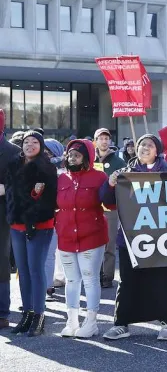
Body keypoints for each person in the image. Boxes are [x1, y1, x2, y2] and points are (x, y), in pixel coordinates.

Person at [102, 135, 167, 341]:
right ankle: (121, 324)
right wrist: (110, 184)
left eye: (150, 145)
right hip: (130, 237)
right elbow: (108, 202)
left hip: (161, 237)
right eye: (141, 145)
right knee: (128, 281)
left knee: (162, 280)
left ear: (157, 151)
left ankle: (166, 323)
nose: (144, 148)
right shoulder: (125, 173)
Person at [5, 130, 58, 336]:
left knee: (36, 271)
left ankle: (39, 315)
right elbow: (10, 194)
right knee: (23, 272)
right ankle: (26, 314)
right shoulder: (13, 165)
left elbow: (48, 200)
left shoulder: (47, 168)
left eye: (34, 141)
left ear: (41, 145)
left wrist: (32, 220)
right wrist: (13, 215)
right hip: (17, 225)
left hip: (39, 225)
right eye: (26, 141)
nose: (29, 145)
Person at [56, 139, 109, 339]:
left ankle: (91, 322)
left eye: (77, 155)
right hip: (67, 236)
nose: (72, 158)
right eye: (70, 155)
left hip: (91, 236)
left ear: (87, 157)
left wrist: (112, 185)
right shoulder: (61, 179)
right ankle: (71, 320)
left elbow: (110, 203)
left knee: (90, 278)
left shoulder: (99, 177)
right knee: (71, 280)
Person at [94, 128, 126, 289]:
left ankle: (107, 276)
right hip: (92, 207)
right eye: (101, 138)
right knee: (92, 243)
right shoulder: (88, 159)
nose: (104, 141)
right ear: (96, 141)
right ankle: (94, 274)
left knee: (109, 243)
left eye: (107, 138)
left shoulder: (118, 162)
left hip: (110, 208)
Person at [0, 110, 20, 330]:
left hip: (2, 215)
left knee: (0, 262)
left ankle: (2, 312)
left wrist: (4, 189)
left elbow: (19, 184)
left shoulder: (13, 152)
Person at [43, 138, 66, 300]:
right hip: (43, 215)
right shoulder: (35, 167)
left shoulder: (64, 172)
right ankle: (48, 285)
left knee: (58, 252)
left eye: (48, 151)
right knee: (49, 253)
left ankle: (52, 283)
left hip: (61, 216)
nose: (45, 154)